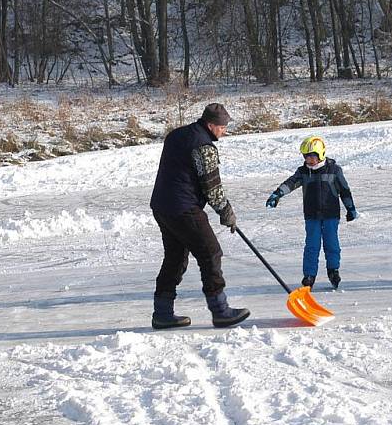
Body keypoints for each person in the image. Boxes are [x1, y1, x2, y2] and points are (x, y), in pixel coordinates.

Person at [149, 103, 250, 328]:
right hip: (184, 207)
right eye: (222, 127)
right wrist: (226, 212)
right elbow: (212, 186)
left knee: (175, 257)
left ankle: (162, 313)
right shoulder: (204, 147)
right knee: (210, 252)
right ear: (211, 125)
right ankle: (221, 311)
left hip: (162, 206)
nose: (224, 131)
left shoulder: (177, 135)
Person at [265, 136, 358, 289]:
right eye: (306, 157)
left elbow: (344, 190)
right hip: (312, 215)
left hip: (331, 215)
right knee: (311, 246)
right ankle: (309, 275)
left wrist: (351, 209)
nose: (309, 160)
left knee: (331, 244)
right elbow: (291, 183)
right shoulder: (303, 172)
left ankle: (333, 270)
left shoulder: (334, 170)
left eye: (312, 156)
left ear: (321, 154)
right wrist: (277, 194)